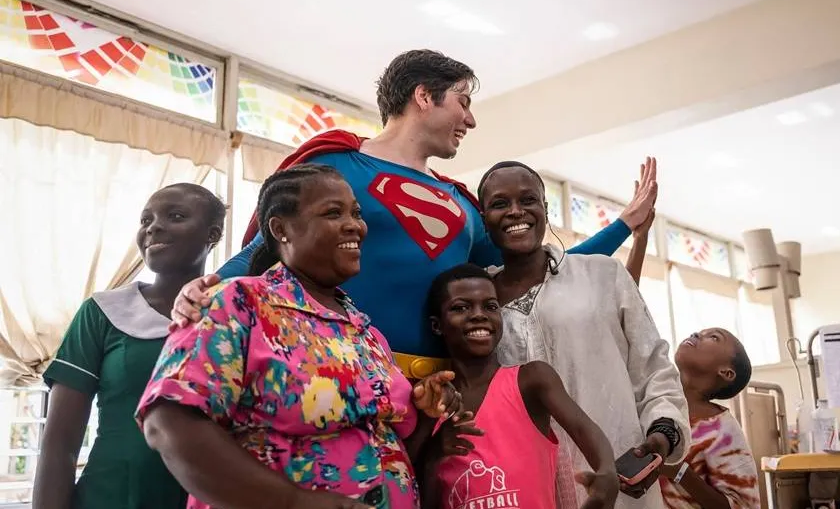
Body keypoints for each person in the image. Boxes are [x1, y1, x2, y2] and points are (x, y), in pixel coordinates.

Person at [169, 50, 657, 380]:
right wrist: (206, 287)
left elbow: (539, 269)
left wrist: (624, 226)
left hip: (436, 393)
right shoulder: (335, 165)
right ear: (425, 97)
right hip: (325, 374)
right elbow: (263, 253)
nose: (471, 119)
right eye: (463, 103)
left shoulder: (464, 204)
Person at [136, 165, 457, 509]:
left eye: (356, 213)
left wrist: (427, 412)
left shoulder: (367, 333)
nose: (355, 225)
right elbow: (169, 422)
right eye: (334, 213)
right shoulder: (237, 303)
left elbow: (384, 444)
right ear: (280, 229)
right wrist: (294, 502)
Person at [476, 160, 690, 508]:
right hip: (526, 489)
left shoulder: (602, 276)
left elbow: (654, 368)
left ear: (545, 210)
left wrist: (663, 433)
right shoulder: (478, 305)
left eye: (528, 200)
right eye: (500, 204)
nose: (516, 212)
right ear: (484, 219)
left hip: (621, 481)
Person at [33, 183, 225, 509]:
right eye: (145, 219)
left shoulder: (236, 314)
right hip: (111, 498)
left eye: (175, 216)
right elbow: (60, 444)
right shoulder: (105, 312)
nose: (154, 227)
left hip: (214, 498)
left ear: (213, 234)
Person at [421, 263, 619, 508]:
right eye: (461, 307)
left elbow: (582, 428)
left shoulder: (531, 379)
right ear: (437, 325)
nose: (479, 314)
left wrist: (607, 472)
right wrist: (434, 454)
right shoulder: (432, 403)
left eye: (491, 306)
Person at [659, 328, 759, 509]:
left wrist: (679, 471)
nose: (696, 334)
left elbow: (741, 505)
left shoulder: (723, 430)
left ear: (726, 372)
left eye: (713, 337)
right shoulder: (654, 405)